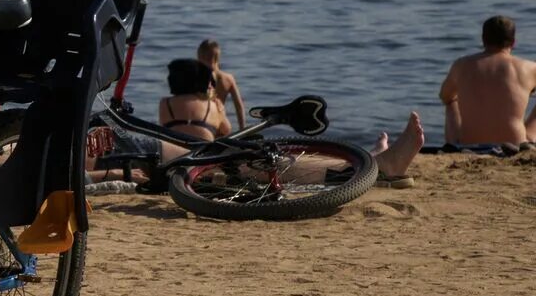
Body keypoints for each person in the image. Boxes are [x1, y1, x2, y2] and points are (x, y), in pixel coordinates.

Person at [88, 111, 424, 189]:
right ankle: (373, 168)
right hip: (111, 151)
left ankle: (364, 163)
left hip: (106, 141)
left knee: (231, 155)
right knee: (236, 163)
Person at [437, 15, 536, 147]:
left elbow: (444, 96)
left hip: (469, 144)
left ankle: (454, 143)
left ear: (483, 39)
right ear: (513, 42)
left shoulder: (461, 65)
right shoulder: (529, 68)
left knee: (450, 101)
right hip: (515, 144)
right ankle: (529, 139)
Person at [158, 57, 231, 140]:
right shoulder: (213, 105)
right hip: (203, 150)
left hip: (174, 149)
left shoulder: (165, 103)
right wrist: (220, 110)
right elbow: (226, 130)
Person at [197, 39, 246, 126]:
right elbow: (239, 106)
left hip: (203, 124)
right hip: (222, 124)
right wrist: (243, 129)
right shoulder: (228, 78)